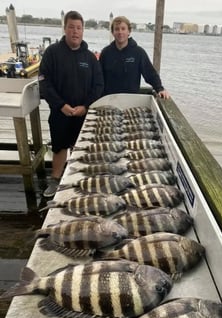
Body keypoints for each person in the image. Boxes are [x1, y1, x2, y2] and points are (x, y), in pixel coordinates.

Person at [39, 10, 104, 197]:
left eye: (78, 28)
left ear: (83, 31)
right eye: (71, 27)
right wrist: (60, 105)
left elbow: (99, 85)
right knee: (59, 147)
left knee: (81, 148)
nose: (75, 31)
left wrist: (85, 106)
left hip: (82, 113)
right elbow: (44, 81)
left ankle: (77, 181)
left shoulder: (90, 58)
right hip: (60, 111)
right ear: (65, 28)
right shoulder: (52, 52)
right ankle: (55, 180)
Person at [99, 16, 169, 99]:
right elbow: (98, 78)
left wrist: (159, 89)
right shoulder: (106, 53)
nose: (120, 32)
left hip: (131, 99)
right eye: (117, 29)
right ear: (112, 32)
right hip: (109, 99)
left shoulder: (138, 53)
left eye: (123, 29)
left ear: (129, 31)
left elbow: (150, 74)